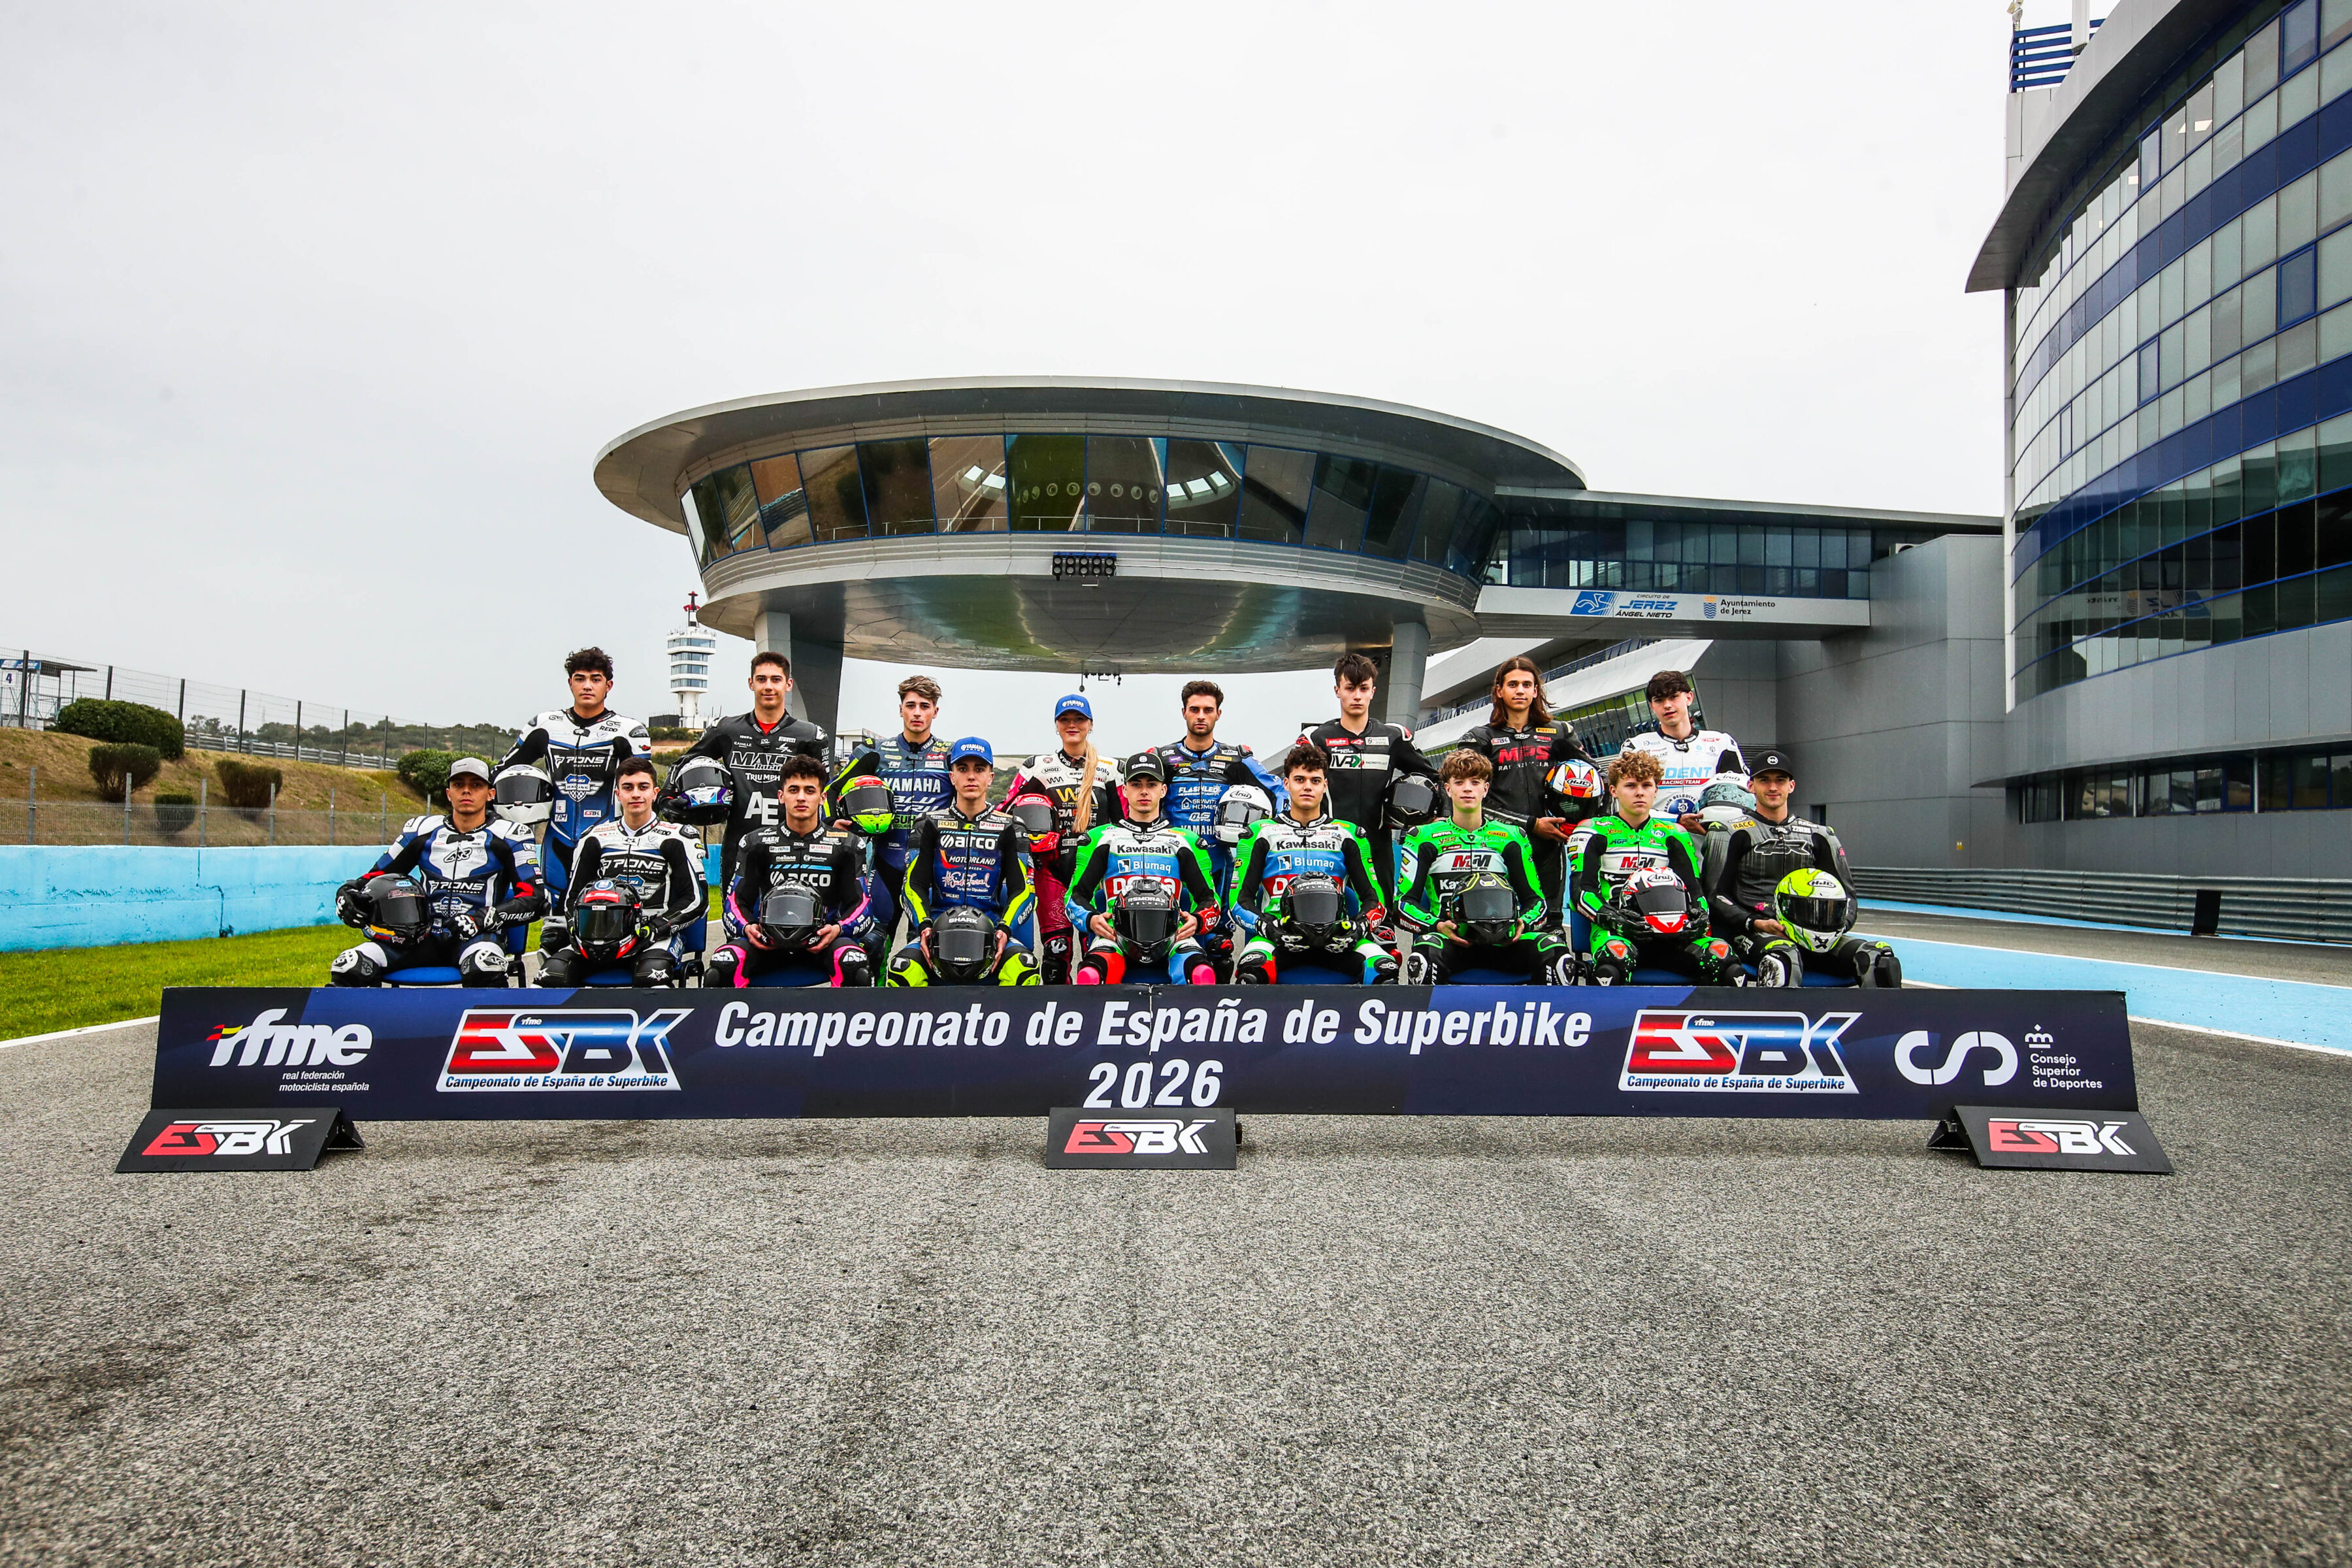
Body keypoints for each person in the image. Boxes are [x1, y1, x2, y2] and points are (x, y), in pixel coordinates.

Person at [331, 757, 545, 987]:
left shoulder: (512, 836)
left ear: (491, 794)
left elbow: (535, 899)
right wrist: (346, 893)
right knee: (350, 966)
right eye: (459, 785)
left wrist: (480, 919)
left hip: (476, 938)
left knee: (484, 966)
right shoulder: (419, 831)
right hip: (419, 938)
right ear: (448, 794)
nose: (466, 791)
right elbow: (373, 878)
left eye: (476, 785)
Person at [1703, 748, 1902, 987]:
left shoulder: (1821, 835)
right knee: (1783, 958)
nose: (1773, 787)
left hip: (1818, 936)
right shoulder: (1728, 831)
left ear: (1792, 786)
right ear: (1751, 786)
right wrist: (1754, 922)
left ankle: (1876, 1014)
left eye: (1780, 780)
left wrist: (1833, 929)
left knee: (1878, 957)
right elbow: (1715, 895)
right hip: (1756, 933)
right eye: (1764, 780)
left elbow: (1848, 896)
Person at [497, 647, 652, 950]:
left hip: (608, 839)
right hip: (557, 836)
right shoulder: (544, 725)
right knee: (554, 932)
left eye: (596, 679)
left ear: (609, 685)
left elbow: (644, 786)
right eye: (580, 679)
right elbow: (504, 771)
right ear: (570, 683)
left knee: (608, 920)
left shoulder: (628, 730)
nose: (587, 686)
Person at [1395, 750, 1575, 985]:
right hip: (1452, 942)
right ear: (1447, 789)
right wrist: (1436, 925)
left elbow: (1536, 902)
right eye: (1459, 782)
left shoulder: (1512, 836)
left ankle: (1549, 1011)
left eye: (1475, 782)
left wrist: (1524, 923)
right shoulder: (1422, 837)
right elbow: (1403, 904)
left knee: (1554, 950)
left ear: (1486, 789)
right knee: (1425, 954)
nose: (1467, 789)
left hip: (1505, 943)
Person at [1569, 748, 1740, 985]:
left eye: (1647, 785)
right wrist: (1617, 921)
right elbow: (1581, 893)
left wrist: (1700, 918)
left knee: (1723, 958)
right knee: (1614, 960)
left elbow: (1695, 890)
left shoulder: (1675, 833)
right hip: (1618, 932)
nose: (1640, 792)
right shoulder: (1592, 830)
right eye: (1630, 786)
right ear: (1613, 790)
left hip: (1674, 933)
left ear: (1656, 790)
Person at [1454, 654, 1601, 925]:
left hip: (1549, 844)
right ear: (1499, 691)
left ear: (1536, 691)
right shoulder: (1480, 737)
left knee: (1551, 919)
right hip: (1497, 843)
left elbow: (1596, 780)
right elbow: (1466, 798)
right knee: (1495, 919)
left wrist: (1581, 821)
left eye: (1526, 685)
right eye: (1512, 685)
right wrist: (1531, 824)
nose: (1520, 690)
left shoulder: (1560, 732)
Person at [1229, 743, 1396, 984]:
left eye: (1315, 781)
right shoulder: (1259, 833)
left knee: (1384, 970)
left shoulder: (1349, 834)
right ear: (1286, 784)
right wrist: (1269, 928)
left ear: (1325, 785)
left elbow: (1375, 900)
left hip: (1338, 939)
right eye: (1300, 779)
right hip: (1278, 937)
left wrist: (1358, 928)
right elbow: (1238, 902)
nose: (1307, 786)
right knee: (1251, 971)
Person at [710, 753, 875, 988]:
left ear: (822, 797)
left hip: (823, 942)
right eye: (794, 790)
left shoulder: (848, 845)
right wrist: (747, 928)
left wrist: (838, 929)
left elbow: (862, 904)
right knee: (724, 963)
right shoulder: (755, 842)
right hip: (768, 943)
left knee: (854, 964)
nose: (801, 798)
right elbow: (736, 900)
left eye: (810, 791)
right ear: (781, 796)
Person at [677, 649, 830, 901]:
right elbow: (685, 766)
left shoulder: (810, 736)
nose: (768, 686)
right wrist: (673, 800)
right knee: (737, 920)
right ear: (751, 683)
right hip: (738, 846)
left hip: (795, 848)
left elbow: (826, 791)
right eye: (761, 679)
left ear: (788, 684)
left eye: (776, 679)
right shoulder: (726, 729)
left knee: (796, 918)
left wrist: (832, 829)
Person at [539, 756, 706, 987]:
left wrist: (656, 928)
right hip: (597, 938)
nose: (636, 794)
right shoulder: (595, 837)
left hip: (653, 937)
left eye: (643, 787)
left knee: (652, 976)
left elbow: (697, 900)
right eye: (628, 788)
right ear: (618, 794)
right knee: (551, 974)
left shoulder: (677, 838)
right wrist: (578, 930)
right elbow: (573, 897)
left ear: (655, 793)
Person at [888, 738, 1041, 987]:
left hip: (992, 930)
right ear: (952, 777)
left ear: (990, 777)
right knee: (902, 971)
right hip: (936, 930)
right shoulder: (928, 824)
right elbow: (912, 885)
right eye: (963, 769)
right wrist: (924, 926)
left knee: (1024, 969)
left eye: (979, 769)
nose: (971, 776)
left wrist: (1005, 929)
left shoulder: (1012, 827)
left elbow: (1023, 889)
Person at [1063, 751, 1222, 985]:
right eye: (1136, 784)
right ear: (1125, 790)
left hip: (1174, 937)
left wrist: (1198, 921)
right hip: (1115, 936)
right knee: (1090, 976)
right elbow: (1074, 896)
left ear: (1163, 790)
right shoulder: (1100, 838)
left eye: (1152, 784)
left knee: (1202, 975)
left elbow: (1210, 899)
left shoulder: (1186, 840)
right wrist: (1091, 919)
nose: (1144, 791)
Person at [836, 674, 955, 955]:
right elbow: (833, 792)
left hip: (932, 867)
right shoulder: (876, 752)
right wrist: (836, 824)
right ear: (900, 709)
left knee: (927, 948)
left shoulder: (950, 755)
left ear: (935, 711)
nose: (917, 713)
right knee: (870, 945)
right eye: (911, 706)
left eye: (925, 706)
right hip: (885, 861)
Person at [1005, 693, 1120, 983]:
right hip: (1051, 870)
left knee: (1097, 953)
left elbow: (1123, 822)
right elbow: (1007, 812)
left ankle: (1096, 1009)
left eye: (1079, 719)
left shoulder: (1110, 769)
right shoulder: (1037, 766)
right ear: (1056, 725)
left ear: (1090, 724)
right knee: (1056, 954)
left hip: (1095, 874)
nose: (1072, 725)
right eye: (1065, 719)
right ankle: (1058, 1009)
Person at [1299, 651, 1439, 885]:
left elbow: (1434, 778)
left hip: (1378, 847)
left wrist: (1432, 815)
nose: (1357, 696)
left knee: (1382, 906)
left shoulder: (1394, 737)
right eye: (1350, 688)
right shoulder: (1317, 738)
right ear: (1337, 690)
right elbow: (1296, 785)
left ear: (1373, 692)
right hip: (1328, 846)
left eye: (1363, 689)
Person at [1620, 669, 1747, 834]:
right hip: (1655, 842)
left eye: (1674, 697)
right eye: (1659, 700)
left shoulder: (1722, 743)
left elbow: (1744, 795)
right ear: (1652, 706)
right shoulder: (1637, 746)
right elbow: (1625, 803)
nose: (1667, 705)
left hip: (1709, 841)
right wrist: (1677, 820)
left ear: (1689, 698)